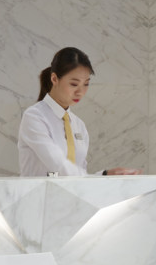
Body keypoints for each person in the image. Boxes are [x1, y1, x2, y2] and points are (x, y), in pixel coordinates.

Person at [17, 49, 99, 178]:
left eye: (86, 84)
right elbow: (58, 165)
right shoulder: (34, 116)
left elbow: (80, 172)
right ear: (54, 79)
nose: (80, 92)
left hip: (71, 196)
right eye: (74, 84)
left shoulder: (79, 125)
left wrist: (104, 175)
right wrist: (99, 177)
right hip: (38, 196)